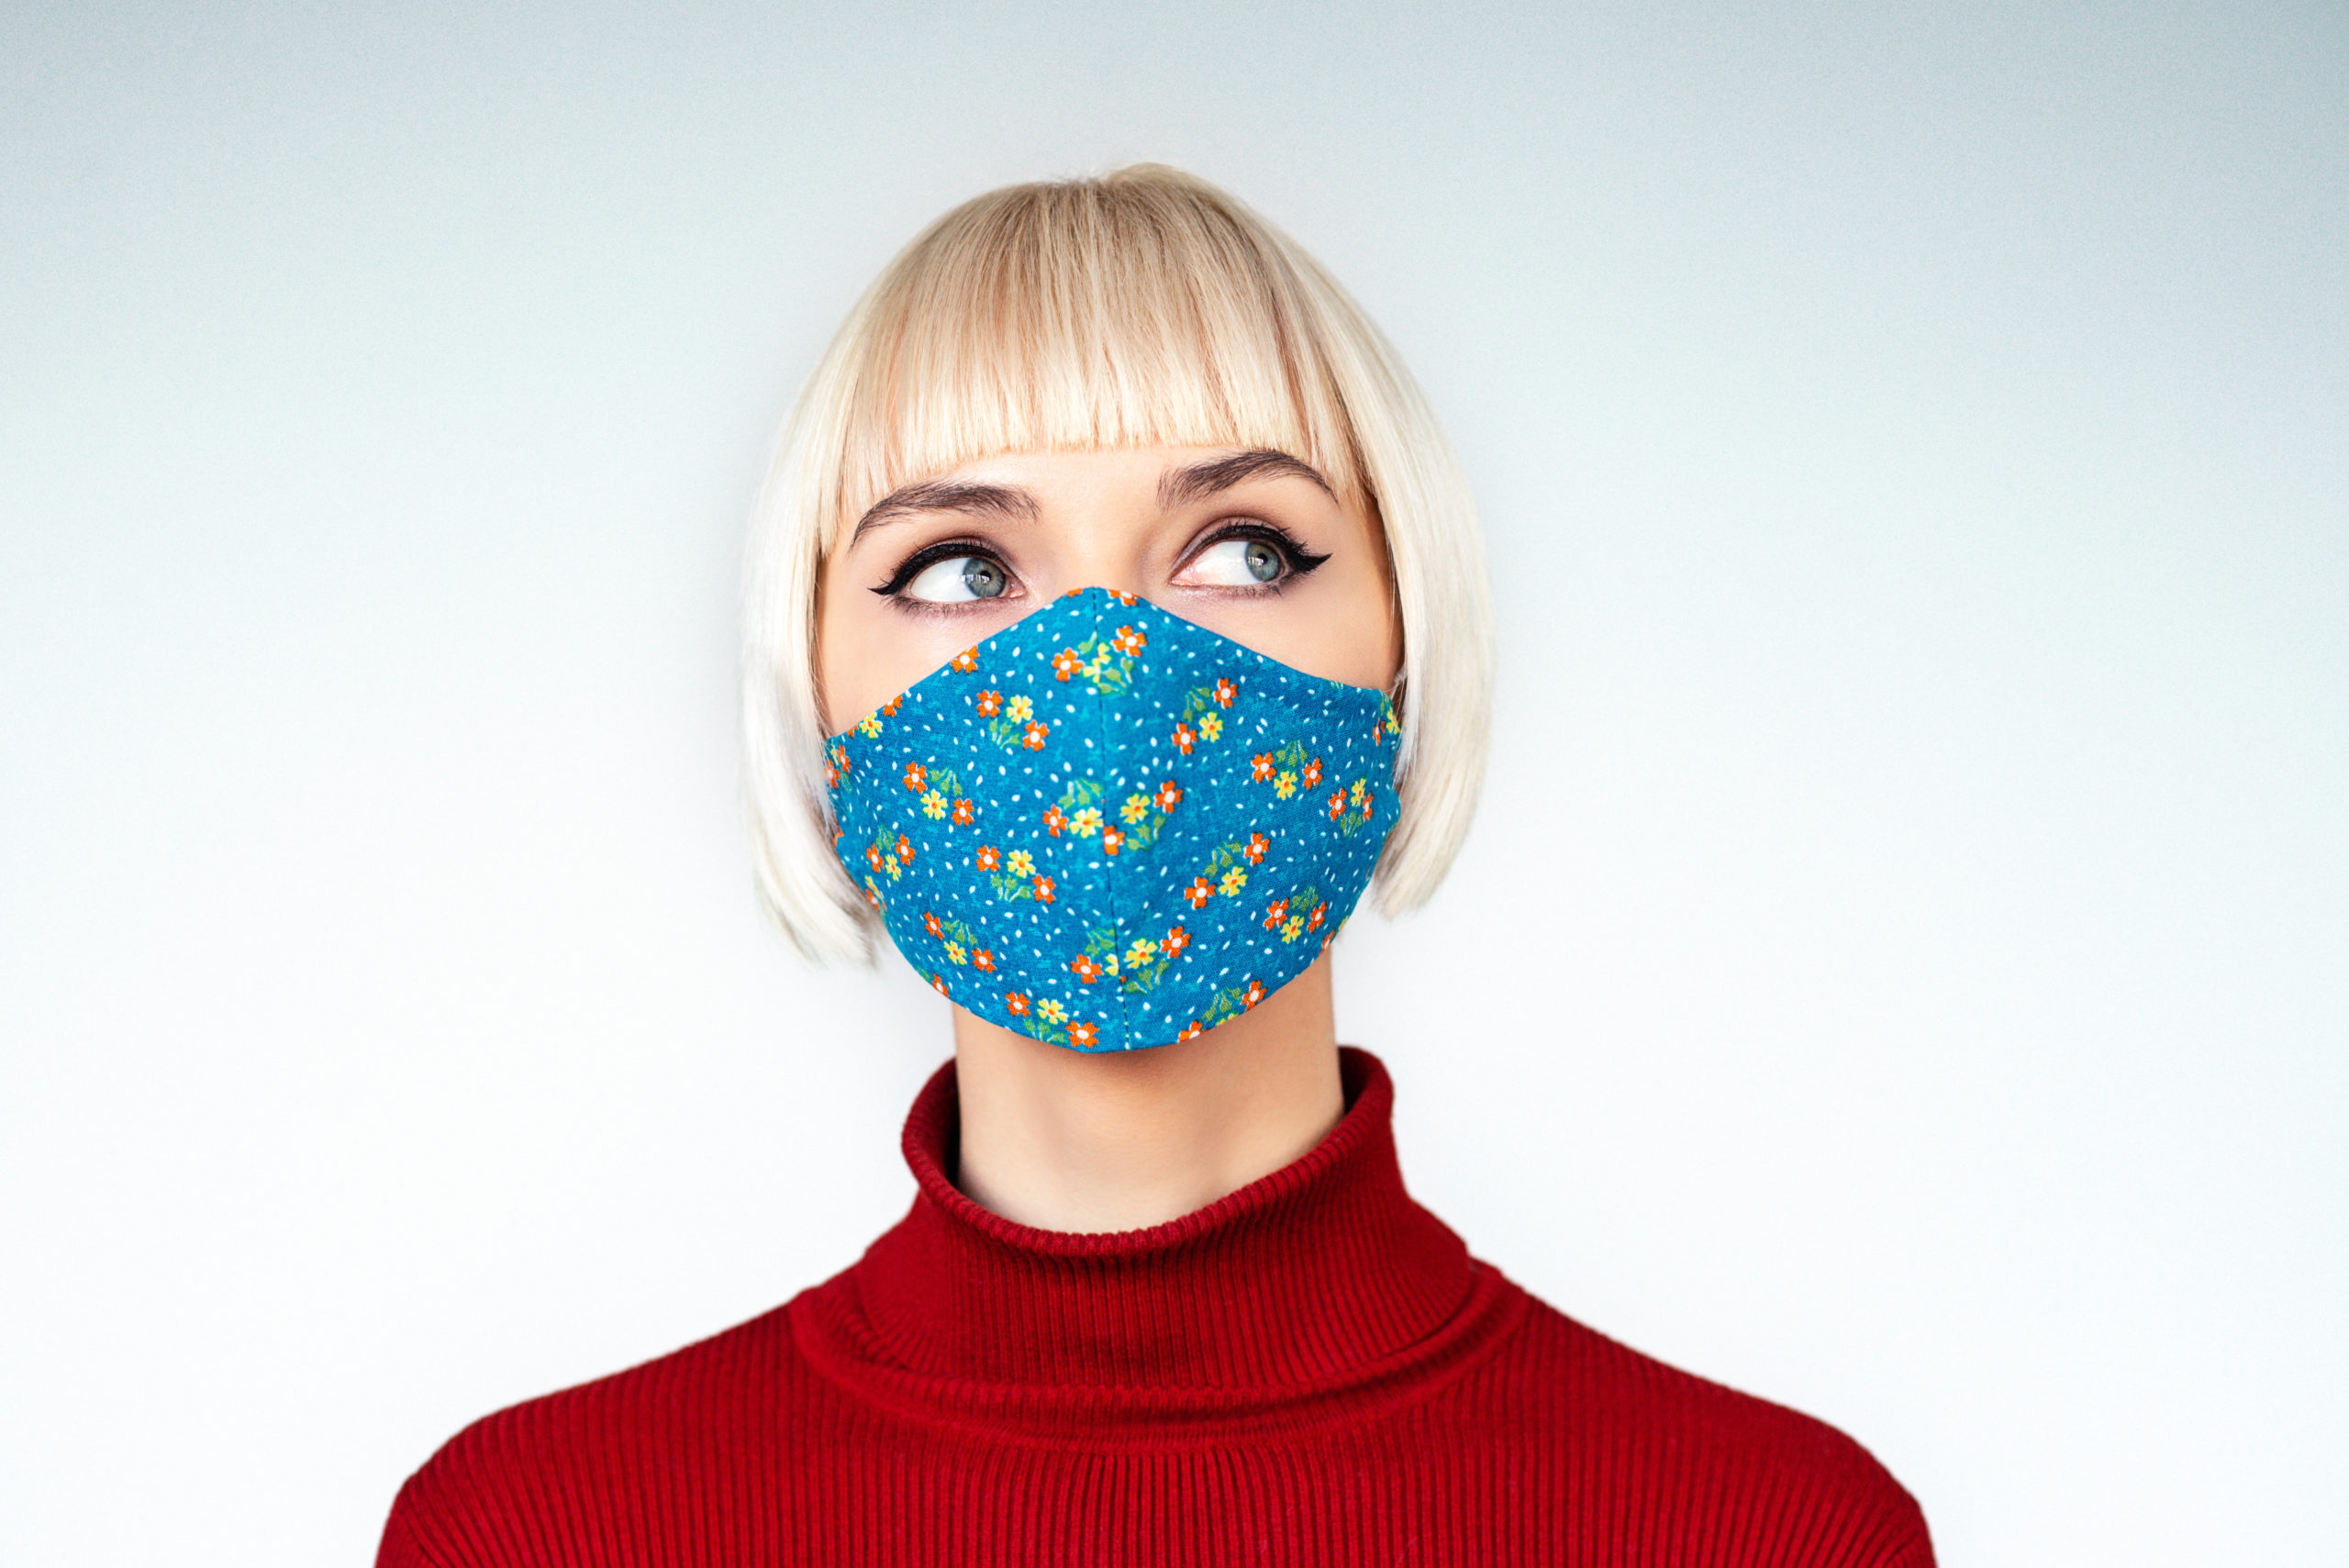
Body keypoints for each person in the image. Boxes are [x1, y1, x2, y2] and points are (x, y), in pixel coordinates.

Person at [376, 164, 1934, 1566]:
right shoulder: (535, 1531)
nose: (1107, 672)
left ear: (1403, 653)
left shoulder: (1768, 1532)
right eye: (962, 569)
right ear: (820, 691)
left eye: (1247, 548)